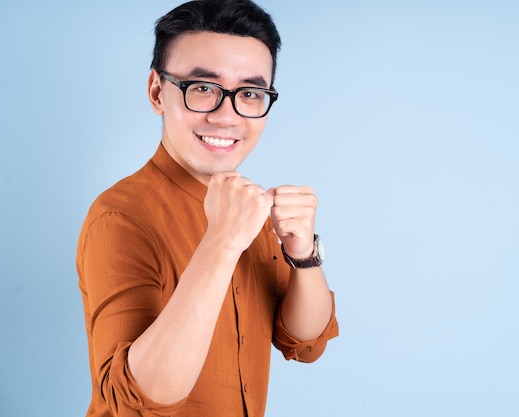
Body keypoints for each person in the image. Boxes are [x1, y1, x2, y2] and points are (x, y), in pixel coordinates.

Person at [76, 1, 339, 416]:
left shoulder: (249, 206)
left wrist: (303, 255)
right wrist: (221, 243)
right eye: (203, 88)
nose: (227, 115)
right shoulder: (121, 216)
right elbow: (136, 399)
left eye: (250, 93)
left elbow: (305, 343)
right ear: (158, 92)